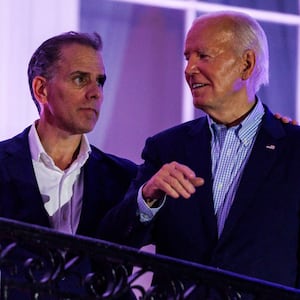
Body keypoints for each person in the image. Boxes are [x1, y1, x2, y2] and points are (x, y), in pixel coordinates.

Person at [97, 10, 300, 299]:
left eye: (204, 56)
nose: (190, 68)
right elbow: (111, 245)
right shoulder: (166, 148)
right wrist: (148, 197)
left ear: (247, 63)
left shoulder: (293, 150)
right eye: (187, 57)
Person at [0, 32, 137, 299]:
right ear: (42, 89)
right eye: (80, 79)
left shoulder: (125, 178)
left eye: (100, 81)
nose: (95, 93)